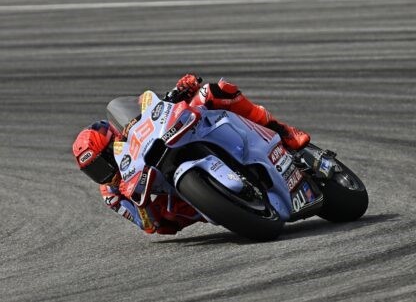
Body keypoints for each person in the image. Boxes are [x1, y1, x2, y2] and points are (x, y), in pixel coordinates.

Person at [72, 74, 310, 235]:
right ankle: (229, 204)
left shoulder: (132, 130)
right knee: (167, 217)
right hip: (180, 198)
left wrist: (181, 91)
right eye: (95, 172)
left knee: (213, 92)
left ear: (113, 140)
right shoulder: (111, 194)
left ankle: (281, 130)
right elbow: (149, 226)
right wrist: (136, 202)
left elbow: (155, 108)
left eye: (104, 163)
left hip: (175, 138)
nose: (106, 174)